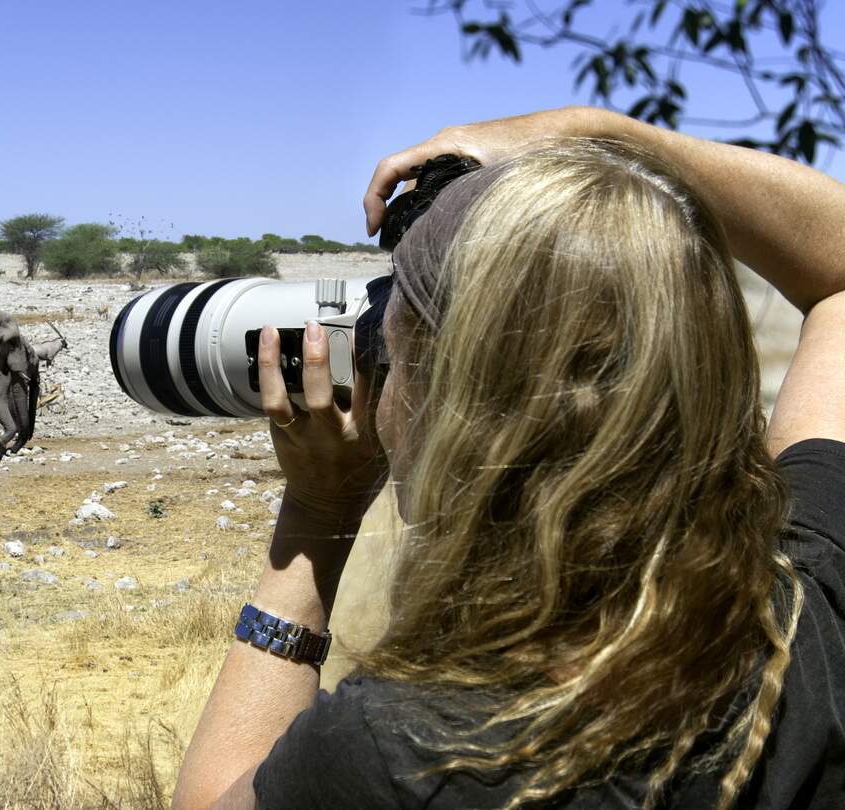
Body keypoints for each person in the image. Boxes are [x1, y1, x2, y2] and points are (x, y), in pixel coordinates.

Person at [173, 105, 845, 809]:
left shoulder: (412, 751)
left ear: (448, 410)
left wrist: (315, 515)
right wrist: (605, 135)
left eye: (393, 356)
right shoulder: (802, 614)